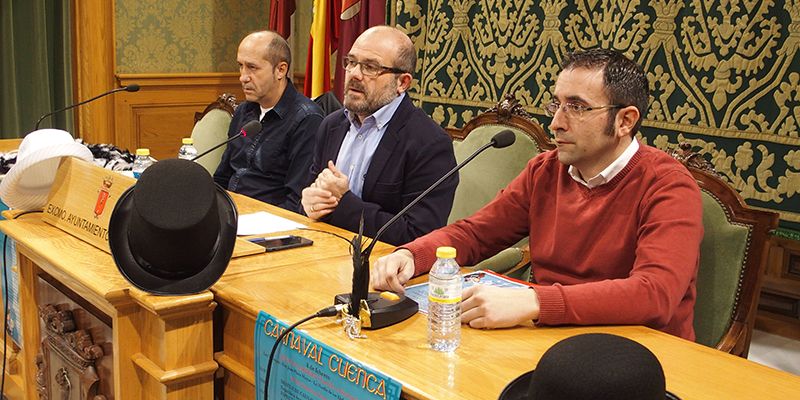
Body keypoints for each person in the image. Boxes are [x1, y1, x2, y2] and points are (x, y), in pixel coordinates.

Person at [371, 48, 704, 341]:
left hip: (637, 353)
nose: (556, 122)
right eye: (556, 104)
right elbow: (476, 233)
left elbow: (655, 294)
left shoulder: (668, 185)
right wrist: (414, 255)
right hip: (549, 335)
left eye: (577, 108)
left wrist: (535, 302)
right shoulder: (545, 170)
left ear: (625, 121)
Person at [300, 26, 457, 245]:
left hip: (381, 267)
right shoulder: (331, 126)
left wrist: (343, 203)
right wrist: (308, 202)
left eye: (370, 67)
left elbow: (418, 235)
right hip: (319, 251)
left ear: (402, 82)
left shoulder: (429, 143)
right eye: (351, 62)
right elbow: (310, 195)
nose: (354, 74)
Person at [214, 31, 323, 211]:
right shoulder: (244, 111)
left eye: (252, 67)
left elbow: (297, 200)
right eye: (240, 66)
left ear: (281, 69)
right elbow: (222, 178)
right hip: (231, 214)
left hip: (270, 225)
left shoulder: (307, 119)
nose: (243, 77)